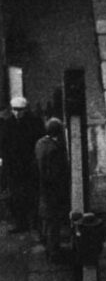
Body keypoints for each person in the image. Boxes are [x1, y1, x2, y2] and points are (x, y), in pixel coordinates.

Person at [0, 97, 44, 234]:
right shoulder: (8, 124)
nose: (17, 113)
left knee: (32, 195)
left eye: (20, 110)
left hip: (29, 165)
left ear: (26, 110)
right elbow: (3, 144)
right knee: (16, 197)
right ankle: (21, 223)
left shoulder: (34, 123)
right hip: (13, 166)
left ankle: (34, 223)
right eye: (14, 110)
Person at [36, 118, 70, 261]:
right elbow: (56, 173)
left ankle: (48, 247)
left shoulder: (40, 143)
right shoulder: (55, 149)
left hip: (43, 188)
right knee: (53, 222)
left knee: (46, 220)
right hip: (53, 189)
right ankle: (53, 252)